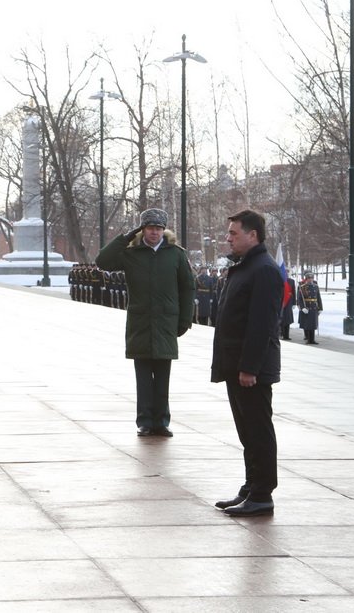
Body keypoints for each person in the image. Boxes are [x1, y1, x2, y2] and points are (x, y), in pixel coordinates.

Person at [95, 208, 195, 438]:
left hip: (166, 323)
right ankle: (145, 422)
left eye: (158, 228)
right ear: (142, 229)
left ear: (164, 230)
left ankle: (161, 422)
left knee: (162, 378)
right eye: (150, 228)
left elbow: (187, 287)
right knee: (142, 378)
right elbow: (102, 261)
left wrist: (185, 320)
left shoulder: (176, 255)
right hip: (140, 323)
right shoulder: (132, 254)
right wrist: (126, 238)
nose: (154, 232)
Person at [211, 209, 283, 517]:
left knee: (258, 431)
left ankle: (262, 494)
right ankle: (251, 487)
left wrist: (250, 367)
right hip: (236, 364)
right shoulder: (245, 266)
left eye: (233, 233)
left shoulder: (263, 269)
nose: (228, 238)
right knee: (247, 432)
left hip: (250, 369)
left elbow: (262, 324)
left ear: (253, 235)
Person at [296, 271, 323, 344]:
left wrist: (320, 308)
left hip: (314, 307)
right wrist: (302, 308)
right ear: (306, 279)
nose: (310, 279)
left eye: (312, 278)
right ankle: (308, 339)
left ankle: (312, 340)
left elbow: (318, 298)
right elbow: (300, 299)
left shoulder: (315, 286)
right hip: (307, 307)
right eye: (309, 278)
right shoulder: (302, 287)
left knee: (313, 324)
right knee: (308, 324)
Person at [280, 276, 296, 340]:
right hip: (280, 301)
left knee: (288, 319)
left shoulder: (291, 281)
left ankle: (286, 335)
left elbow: (293, 292)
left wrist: (294, 303)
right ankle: (281, 333)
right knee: (281, 319)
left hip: (289, 302)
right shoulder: (279, 279)